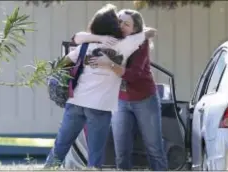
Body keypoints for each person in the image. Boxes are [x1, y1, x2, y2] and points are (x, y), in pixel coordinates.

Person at [43, 4, 146, 170]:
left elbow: (63, 61)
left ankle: (48, 169)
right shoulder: (124, 46)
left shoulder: (85, 46)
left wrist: (95, 41)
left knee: (60, 146)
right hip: (100, 106)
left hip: (76, 101)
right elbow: (142, 35)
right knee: (95, 154)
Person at [73, 9, 168, 171]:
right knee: (122, 152)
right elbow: (76, 38)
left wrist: (107, 63)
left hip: (144, 99)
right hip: (120, 101)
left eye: (127, 24)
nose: (122, 26)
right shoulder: (110, 38)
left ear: (135, 29)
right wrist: (98, 39)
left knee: (154, 148)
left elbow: (132, 75)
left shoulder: (140, 43)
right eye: (119, 22)